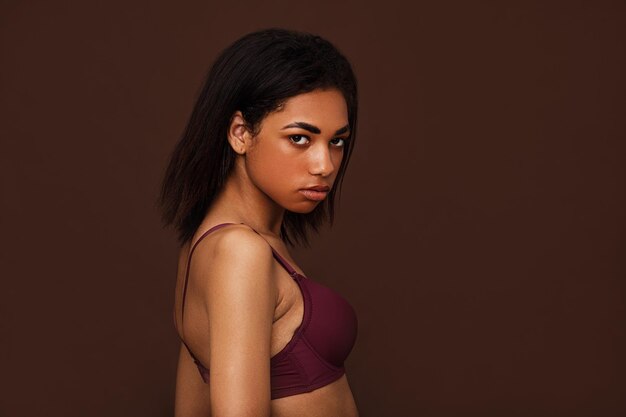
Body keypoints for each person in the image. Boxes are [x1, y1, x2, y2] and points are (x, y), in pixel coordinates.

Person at [157, 28, 360, 417]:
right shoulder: (240, 251)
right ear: (240, 134)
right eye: (300, 138)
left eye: (337, 141)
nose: (326, 165)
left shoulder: (209, 244)